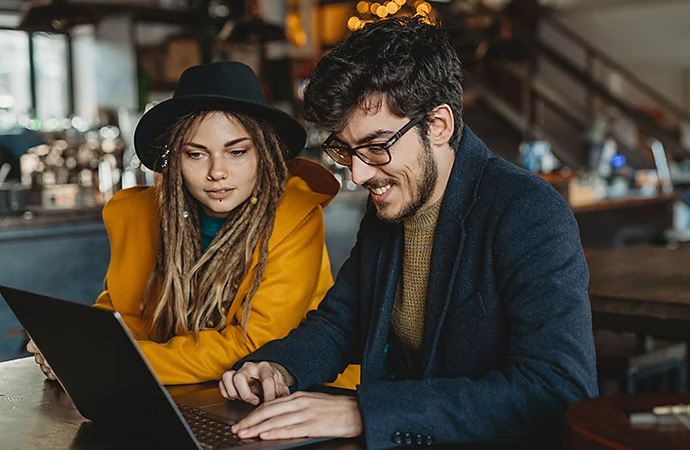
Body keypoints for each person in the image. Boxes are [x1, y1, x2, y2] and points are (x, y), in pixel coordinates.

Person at [218, 17, 597, 448]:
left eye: (377, 147)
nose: (358, 174)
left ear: (438, 125)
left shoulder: (527, 212)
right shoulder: (393, 201)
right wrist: (278, 366)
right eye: (345, 149)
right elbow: (343, 322)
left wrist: (364, 410)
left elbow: (557, 390)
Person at [26, 61, 359, 388]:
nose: (217, 171)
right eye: (196, 154)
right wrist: (68, 347)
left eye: (237, 152)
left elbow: (255, 345)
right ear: (174, 160)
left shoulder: (296, 217)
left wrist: (108, 359)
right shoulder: (141, 215)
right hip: (183, 393)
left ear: (265, 153)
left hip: (299, 395)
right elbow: (124, 316)